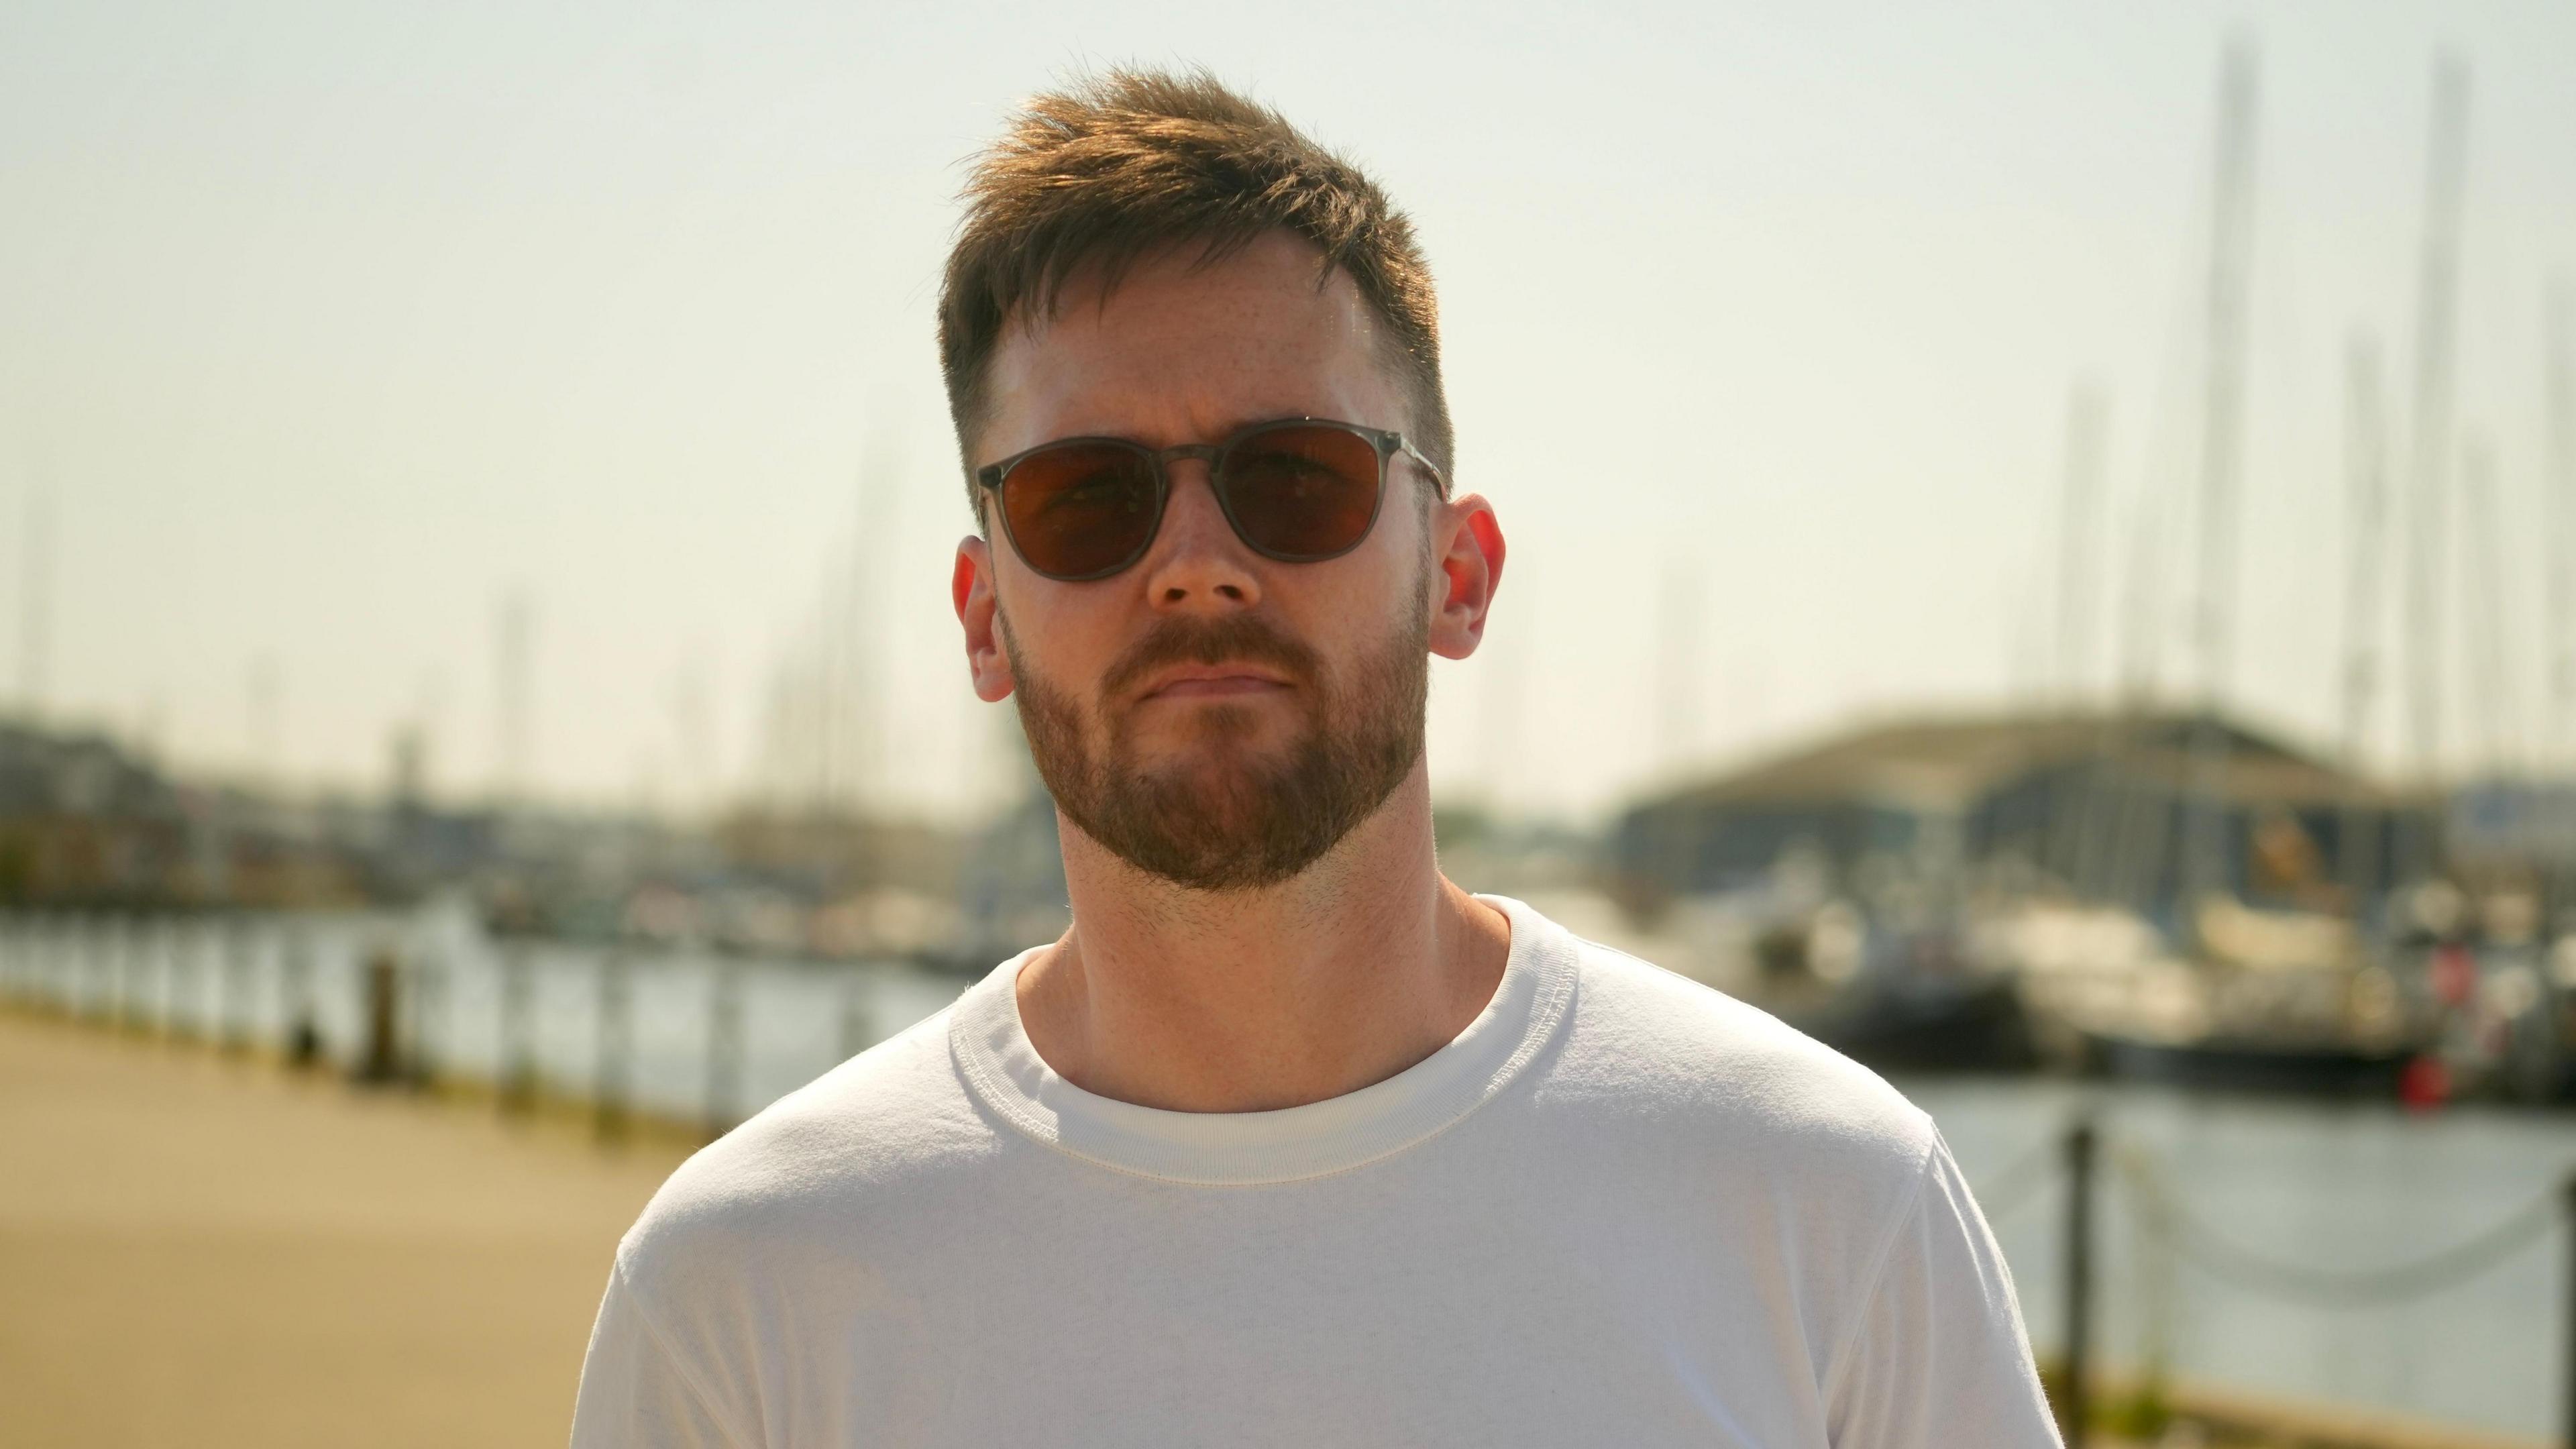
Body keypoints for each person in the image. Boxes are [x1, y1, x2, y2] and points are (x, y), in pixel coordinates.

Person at [568, 68, 2059, 1448]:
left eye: (1295, 477)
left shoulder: (1830, 1208)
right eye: (1088, 500)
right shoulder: (741, 1294)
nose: (1198, 566)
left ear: (1457, 573)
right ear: (983, 620)